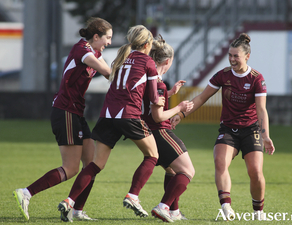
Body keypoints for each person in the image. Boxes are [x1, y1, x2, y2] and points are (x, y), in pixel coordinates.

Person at [56, 25, 166, 222]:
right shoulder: (148, 62)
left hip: (107, 115)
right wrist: (161, 99)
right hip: (128, 115)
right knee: (152, 155)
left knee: (96, 164)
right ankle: (133, 195)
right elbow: (151, 97)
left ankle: (69, 200)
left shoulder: (121, 57)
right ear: (148, 44)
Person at [13, 17, 113, 222]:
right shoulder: (82, 50)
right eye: (108, 38)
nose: (109, 42)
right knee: (71, 168)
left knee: (92, 164)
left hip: (76, 112)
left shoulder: (94, 51)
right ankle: (26, 192)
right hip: (65, 111)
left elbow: (108, 73)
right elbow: (107, 72)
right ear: (96, 36)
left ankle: (77, 210)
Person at [171, 33, 275, 221]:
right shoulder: (223, 75)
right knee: (220, 162)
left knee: (256, 172)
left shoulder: (256, 79)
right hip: (228, 129)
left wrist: (265, 135)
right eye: (230, 55)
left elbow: (261, 110)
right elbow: (202, 97)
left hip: (251, 130)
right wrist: (181, 114)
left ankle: (258, 212)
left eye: (236, 56)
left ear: (247, 56)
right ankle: (226, 206)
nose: (232, 59)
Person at [141, 35, 195, 223]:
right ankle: (163, 207)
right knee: (188, 171)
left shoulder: (150, 80)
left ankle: (174, 211)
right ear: (168, 60)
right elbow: (158, 116)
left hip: (148, 131)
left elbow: (152, 103)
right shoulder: (159, 83)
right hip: (159, 131)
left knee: (172, 171)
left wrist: (170, 94)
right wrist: (179, 108)